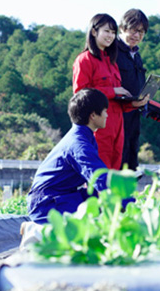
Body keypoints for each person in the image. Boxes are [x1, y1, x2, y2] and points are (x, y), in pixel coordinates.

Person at [72, 13, 148, 170]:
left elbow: (117, 101)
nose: (110, 36)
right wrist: (112, 91)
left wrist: (133, 103)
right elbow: (80, 94)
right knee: (99, 175)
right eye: (107, 31)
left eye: (113, 32)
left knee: (116, 176)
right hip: (98, 128)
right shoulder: (84, 59)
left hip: (118, 128)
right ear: (94, 32)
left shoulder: (111, 62)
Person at [26, 88, 110, 224]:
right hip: (46, 203)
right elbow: (100, 177)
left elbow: (93, 183)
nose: (107, 115)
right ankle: (34, 231)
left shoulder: (85, 138)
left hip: (61, 195)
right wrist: (128, 203)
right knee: (84, 232)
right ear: (93, 115)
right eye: (105, 111)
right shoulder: (78, 144)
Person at [115, 9, 149, 170]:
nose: (137, 35)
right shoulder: (112, 50)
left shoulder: (136, 55)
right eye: (134, 30)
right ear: (122, 28)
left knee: (130, 157)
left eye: (141, 32)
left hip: (134, 114)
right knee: (117, 158)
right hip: (116, 115)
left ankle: (127, 194)